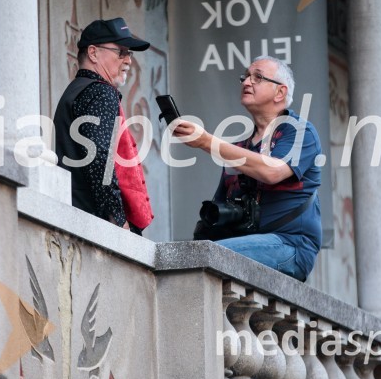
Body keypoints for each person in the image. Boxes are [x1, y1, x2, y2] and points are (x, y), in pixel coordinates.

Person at [173, 56, 322, 281]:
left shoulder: (301, 132)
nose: (246, 82)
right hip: (248, 242)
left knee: (206, 256)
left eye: (258, 77)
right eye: (245, 76)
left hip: (290, 244)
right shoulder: (239, 148)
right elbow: (220, 209)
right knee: (190, 255)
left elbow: (272, 171)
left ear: (280, 93)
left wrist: (206, 141)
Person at [54, 17, 154, 235]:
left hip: (78, 219)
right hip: (96, 226)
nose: (128, 60)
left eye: (130, 53)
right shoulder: (100, 92)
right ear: (93, 53)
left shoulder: (76, 91)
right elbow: (99, 156)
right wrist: (118, 220)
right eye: (121, 52)